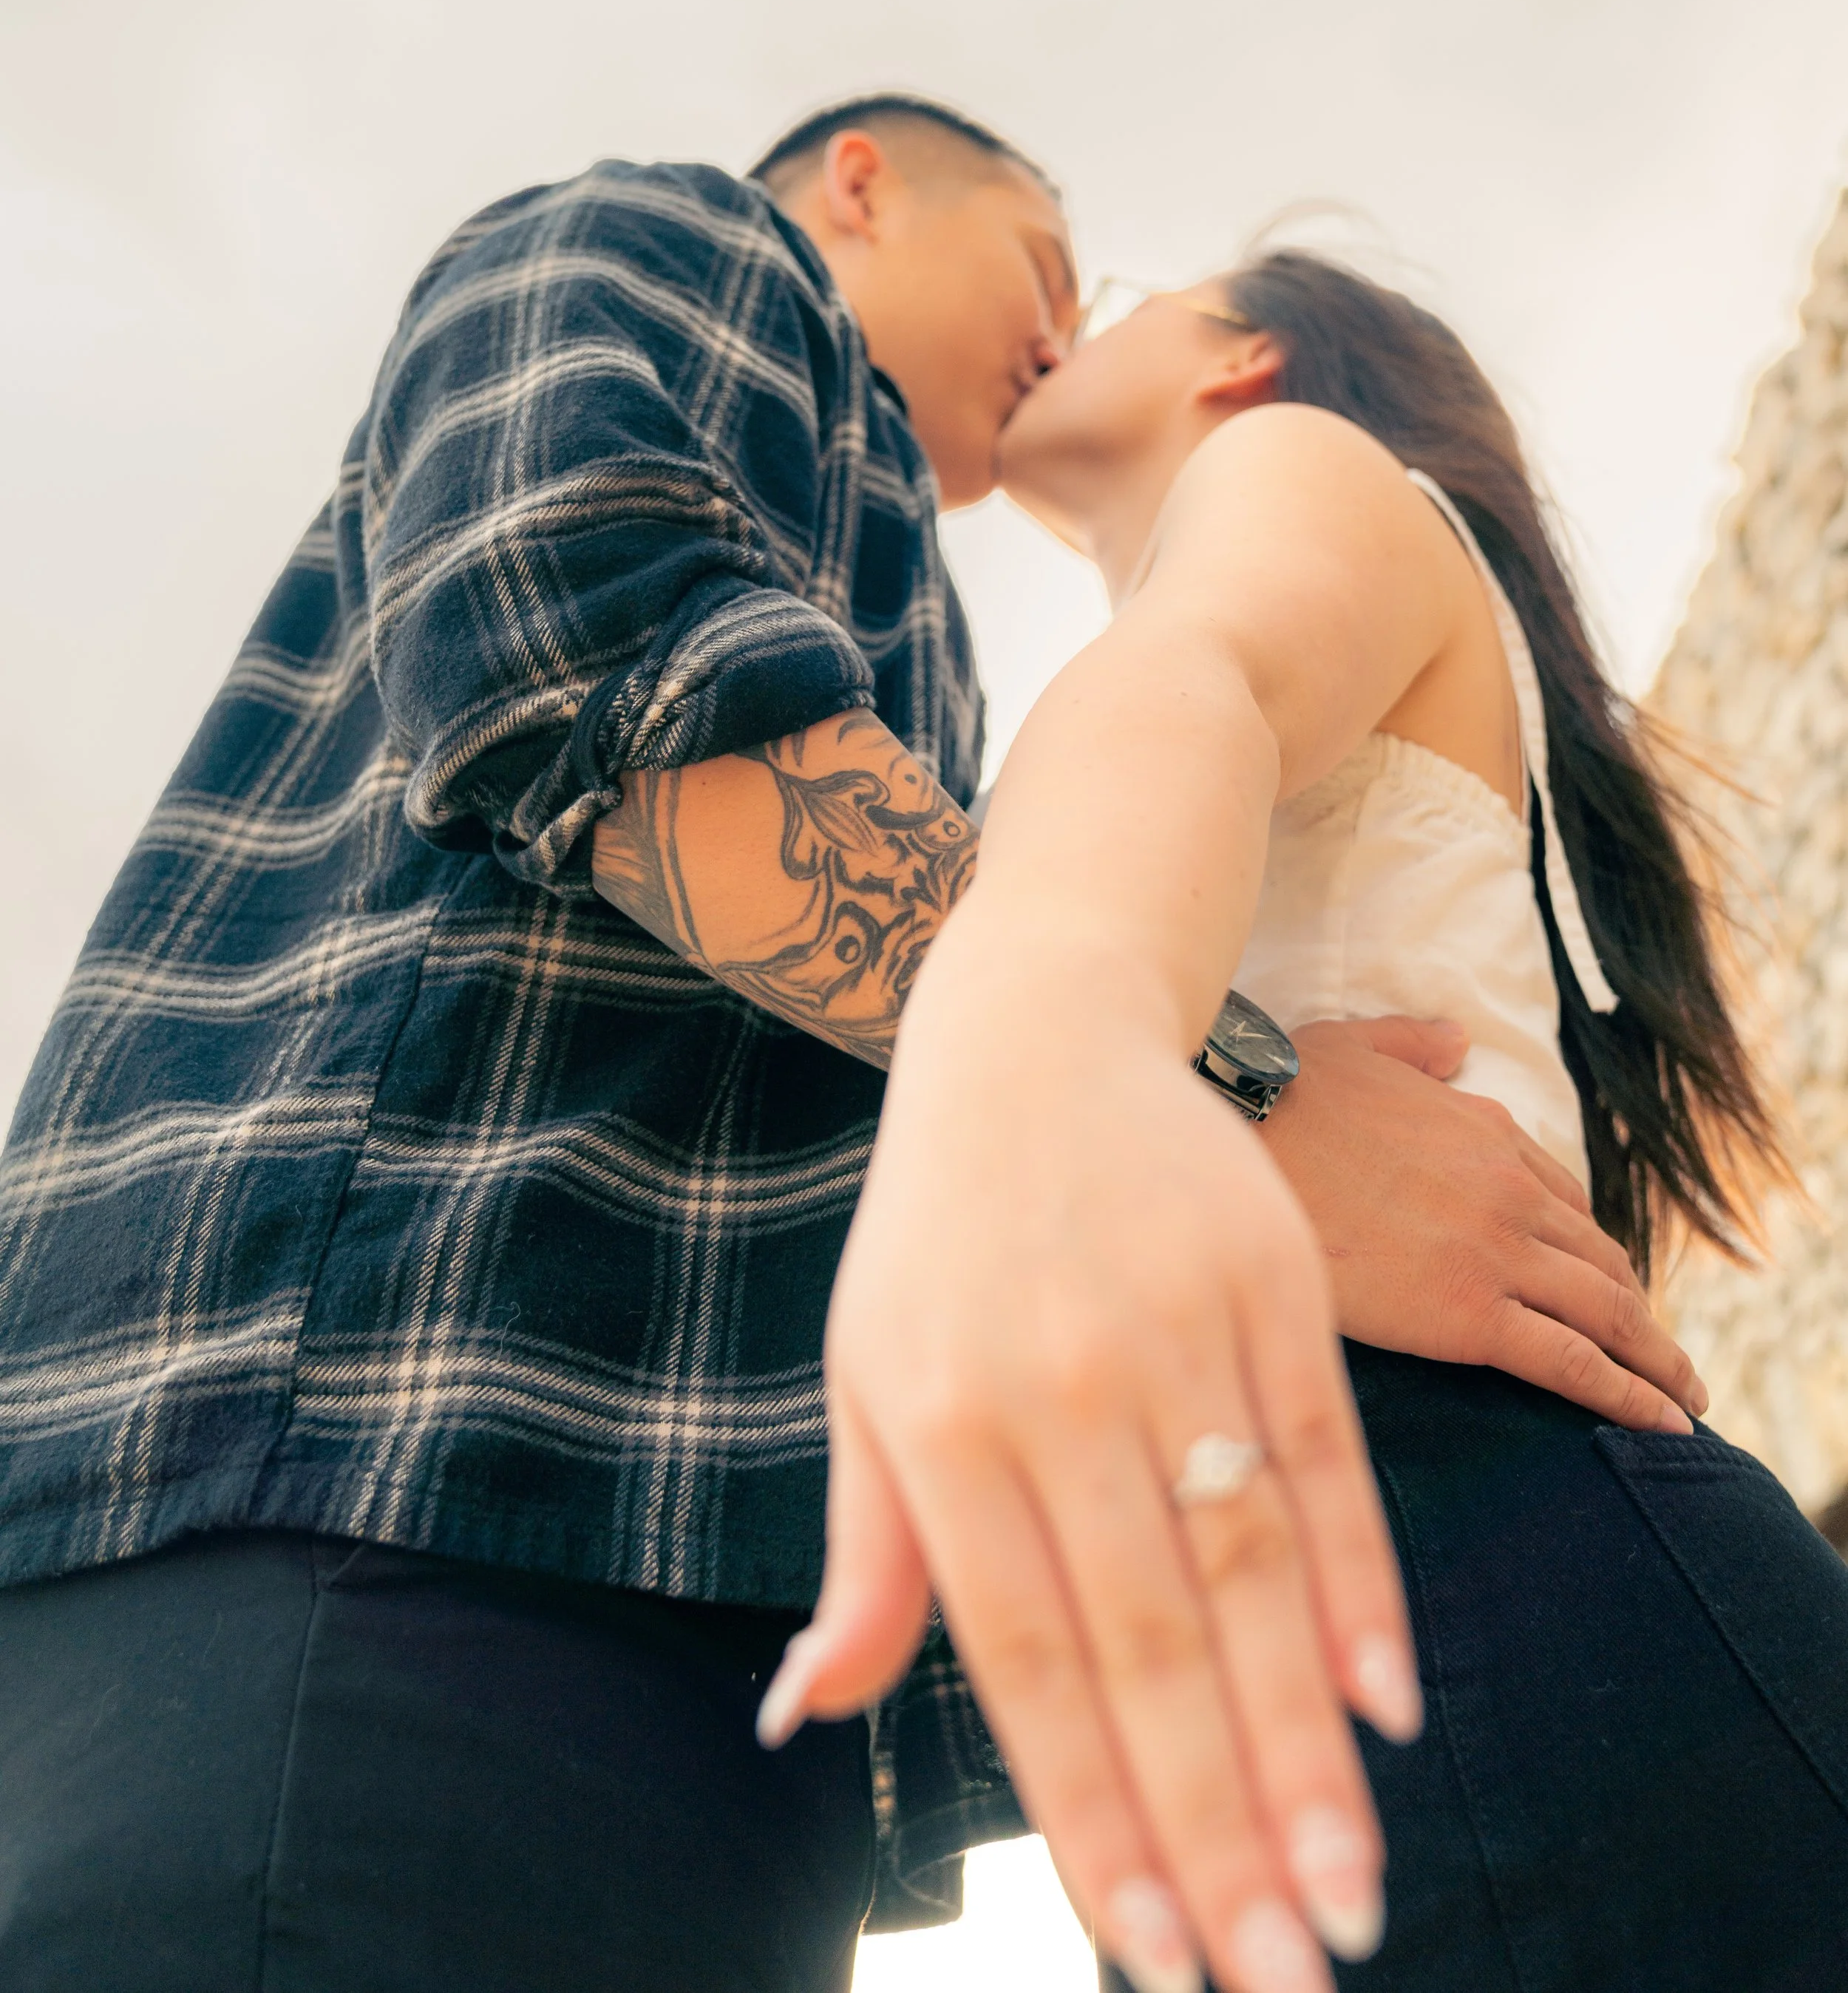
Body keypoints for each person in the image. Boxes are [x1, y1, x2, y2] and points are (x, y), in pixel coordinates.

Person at [0, 103, 1699, 1993]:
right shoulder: (717, 263)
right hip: (394, 1477)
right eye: (1052, 264)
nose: (1065, 325)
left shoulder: (953, 636)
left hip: (688, 1616)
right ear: (868, 181)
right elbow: (565, 621)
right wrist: (1224, 1106)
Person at [794, 247, 1848, 1993]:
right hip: (1331, 1675)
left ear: (1247, 356)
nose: (1072, 313)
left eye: (1123, 286)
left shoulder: (1296, 468)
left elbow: (1185, 679)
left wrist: (1031, 1042)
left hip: (1473, 1593)